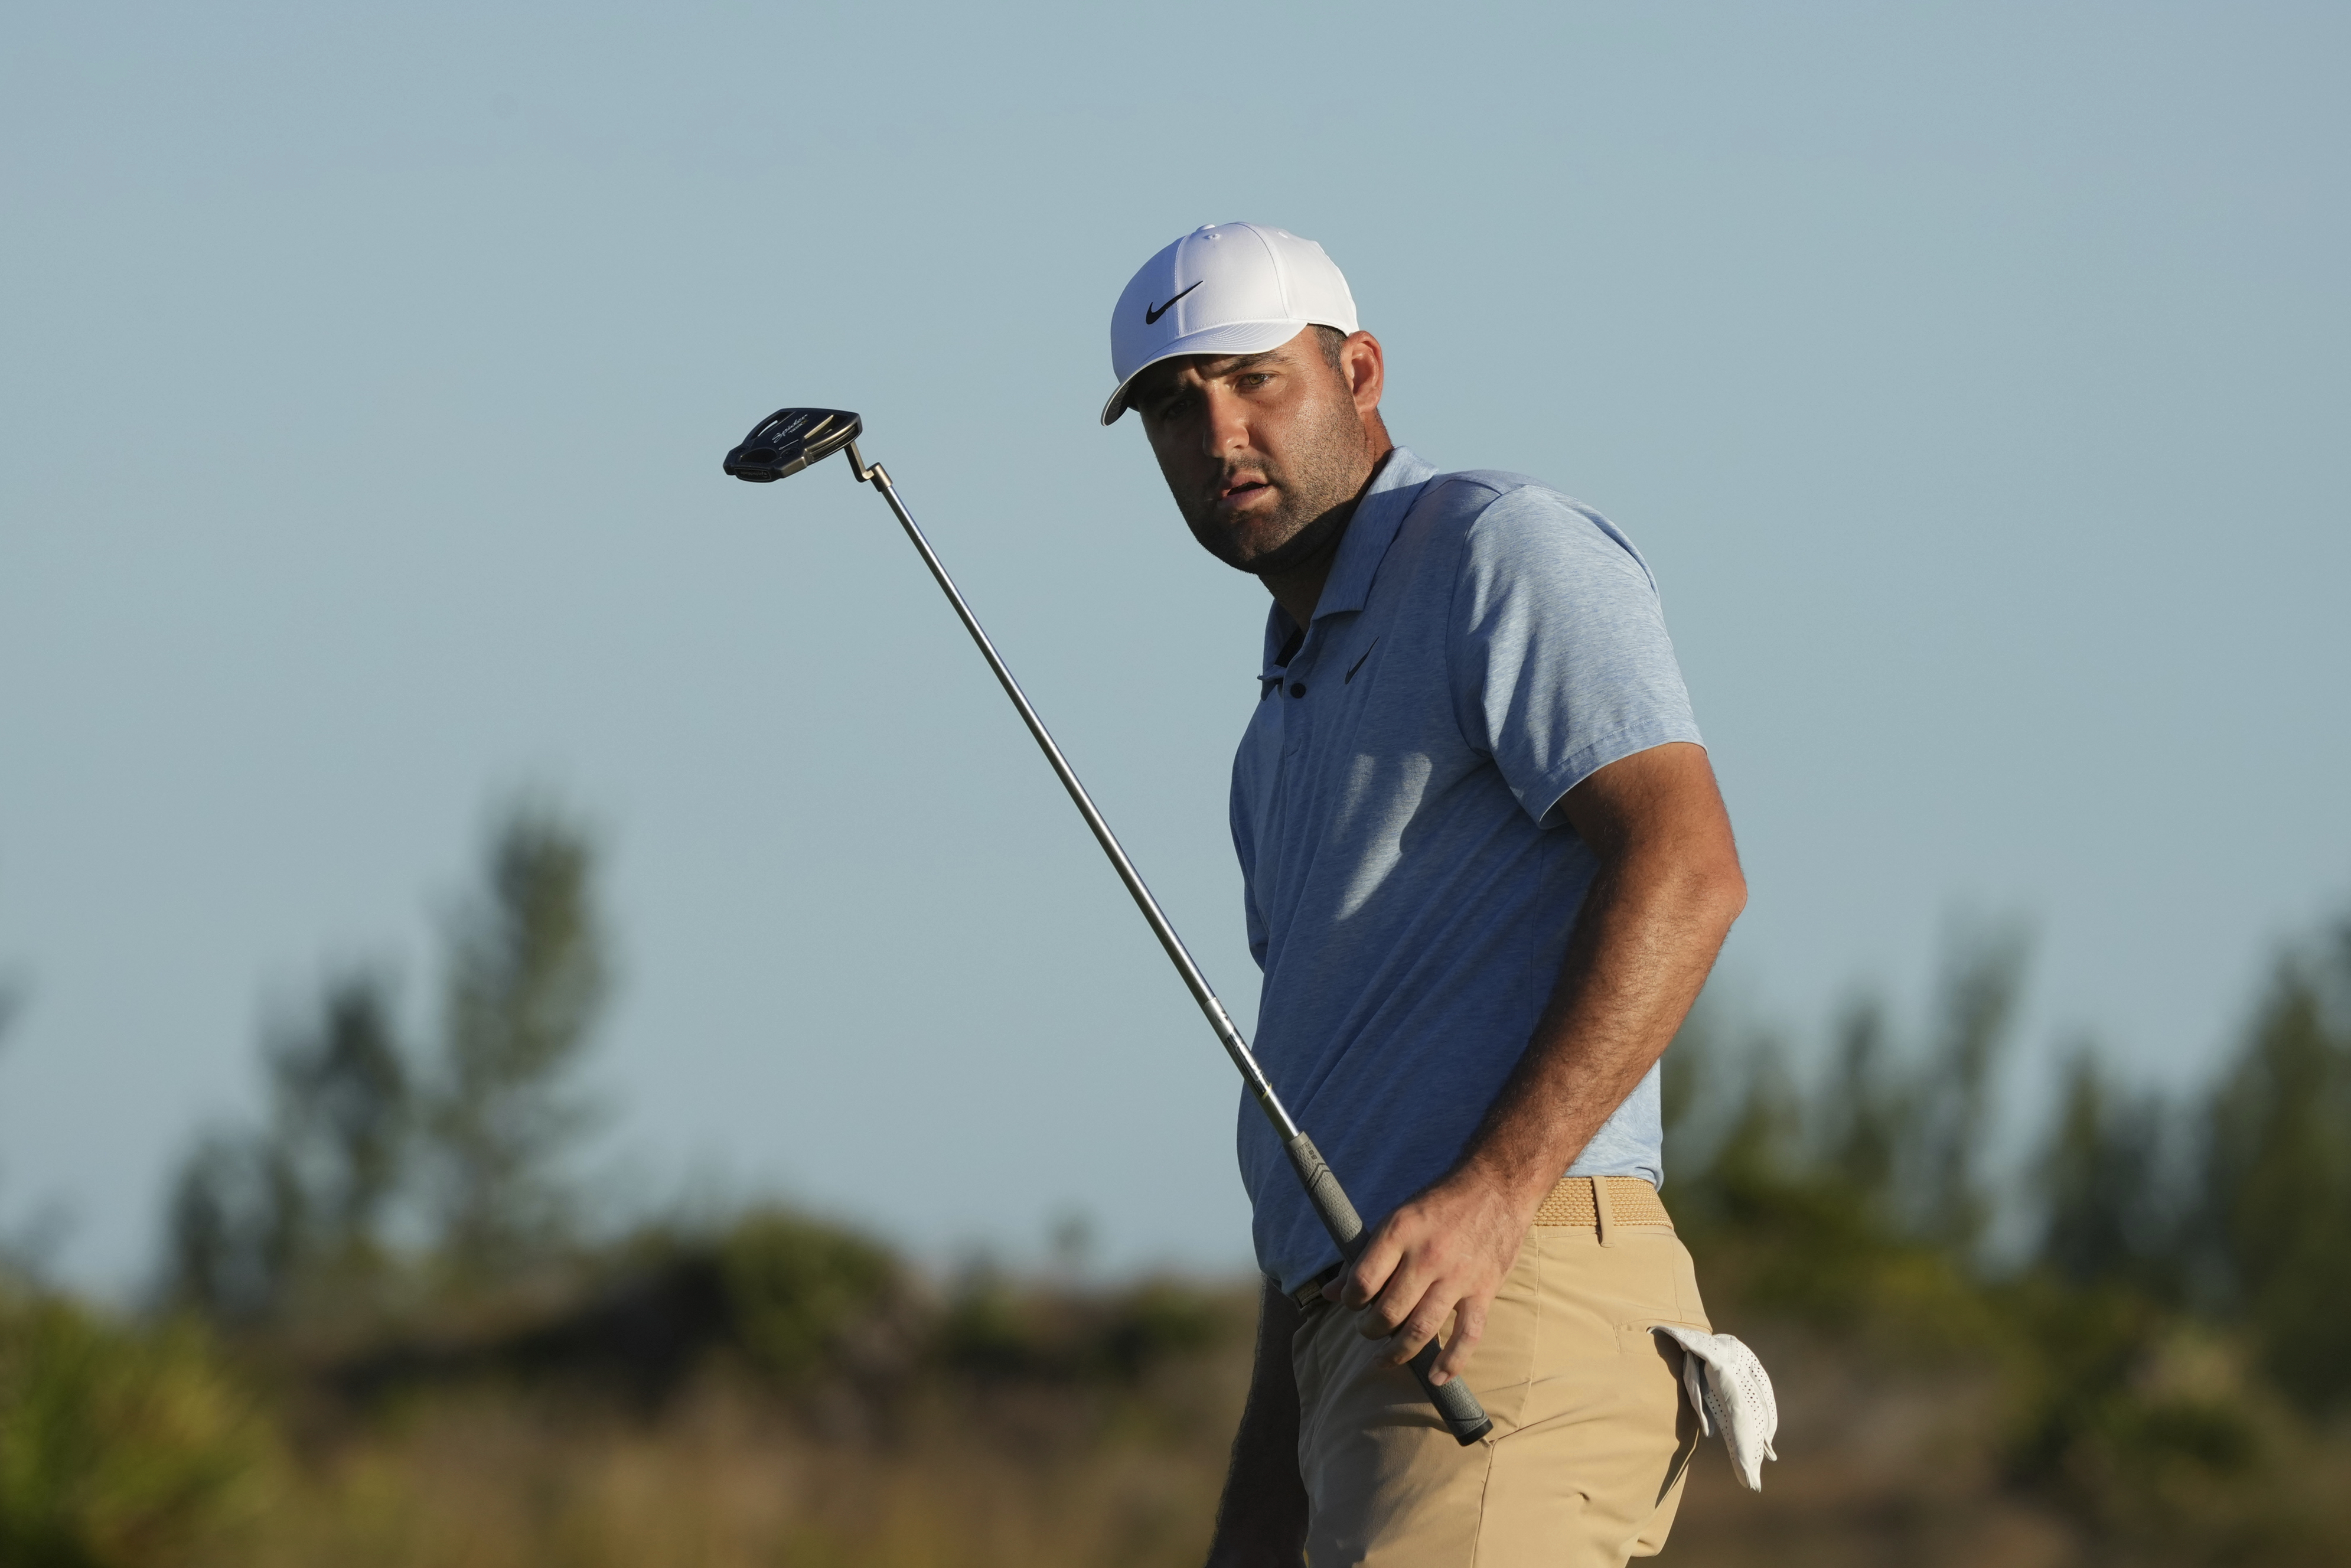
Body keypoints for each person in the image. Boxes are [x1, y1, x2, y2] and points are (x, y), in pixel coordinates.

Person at [1101, 224, 1750, 1567]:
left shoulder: (1494, 547)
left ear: (1359, 372)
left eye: (1253, 379)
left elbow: (1686, 867)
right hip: (1361, 1351)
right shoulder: (1270, 738)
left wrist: (1495, 1195)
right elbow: (1322, 1142)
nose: (1217, 433)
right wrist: (1254, 1527)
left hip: (1516, 1297)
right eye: (1172, 405)